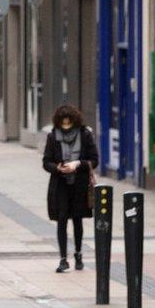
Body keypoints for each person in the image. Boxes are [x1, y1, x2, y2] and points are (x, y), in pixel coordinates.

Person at [42, 105, 99, 273]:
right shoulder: (53, 137)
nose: (66, 126)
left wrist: (78, 164)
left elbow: (94, 160)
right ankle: (63, 258)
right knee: (61, 220)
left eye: (69, 123)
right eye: (63, 123)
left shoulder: (85, 134)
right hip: (60, 185)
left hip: (79, 185)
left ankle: (78, 254)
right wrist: (57, 168)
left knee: (77, 219)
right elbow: (46, 161)